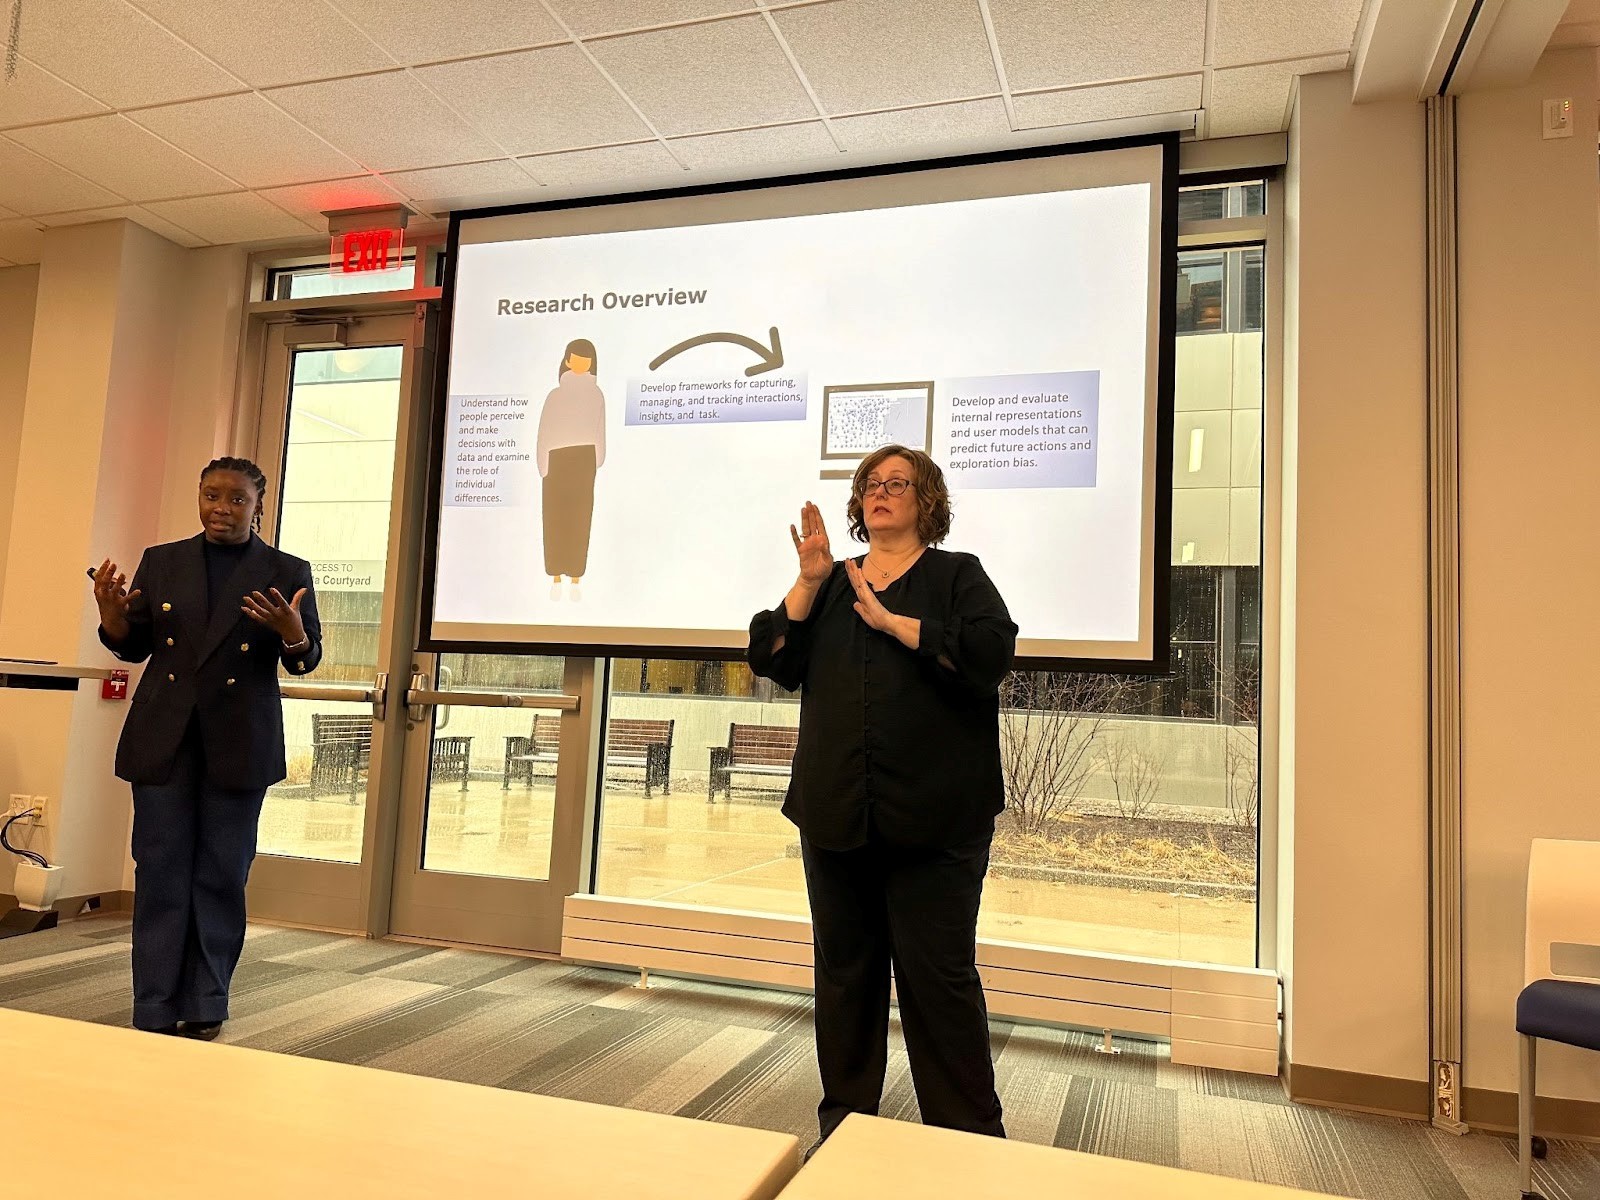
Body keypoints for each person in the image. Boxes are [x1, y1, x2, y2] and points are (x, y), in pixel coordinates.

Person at [747, 443, 1018, 1154]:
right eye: (871, 483)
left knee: (938, 983)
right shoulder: (830, 581)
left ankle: (967, 1145)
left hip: (935, 820)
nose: (881, 492)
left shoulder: (958, 576)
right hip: (838, 814)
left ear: (926, 500)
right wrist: (806, 583)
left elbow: (990, 656)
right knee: (845, 980)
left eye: (897, 482)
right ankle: (847, 1135)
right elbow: (772, 659)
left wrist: (895, 624)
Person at [92, 457, 322, 1040]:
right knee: (162, 870)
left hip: (239, 741)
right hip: (165, 740)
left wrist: (291, 633)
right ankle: (153, 1005)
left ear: (258, 505)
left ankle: (206, 1001)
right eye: (212, 496)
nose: (222, 509)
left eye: (237, 499)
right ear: (199, 497)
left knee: (221, 873)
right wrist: (112, 616)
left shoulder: (285, 569)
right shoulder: (163, 561)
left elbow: (304, 655)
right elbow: (134, 646)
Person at [536, 338, 606, 599]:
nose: (580, 364)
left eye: (585, 360)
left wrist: (598, 458)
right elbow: (544, 430)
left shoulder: (596, 394)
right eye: (576, 359)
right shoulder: (555, 395)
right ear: (566, 360)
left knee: (580, 517)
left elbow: (601, 428)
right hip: (556, 459)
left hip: (585, 458)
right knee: (555, 518)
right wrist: (542, 461)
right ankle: (555, 576)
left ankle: (575, 577)